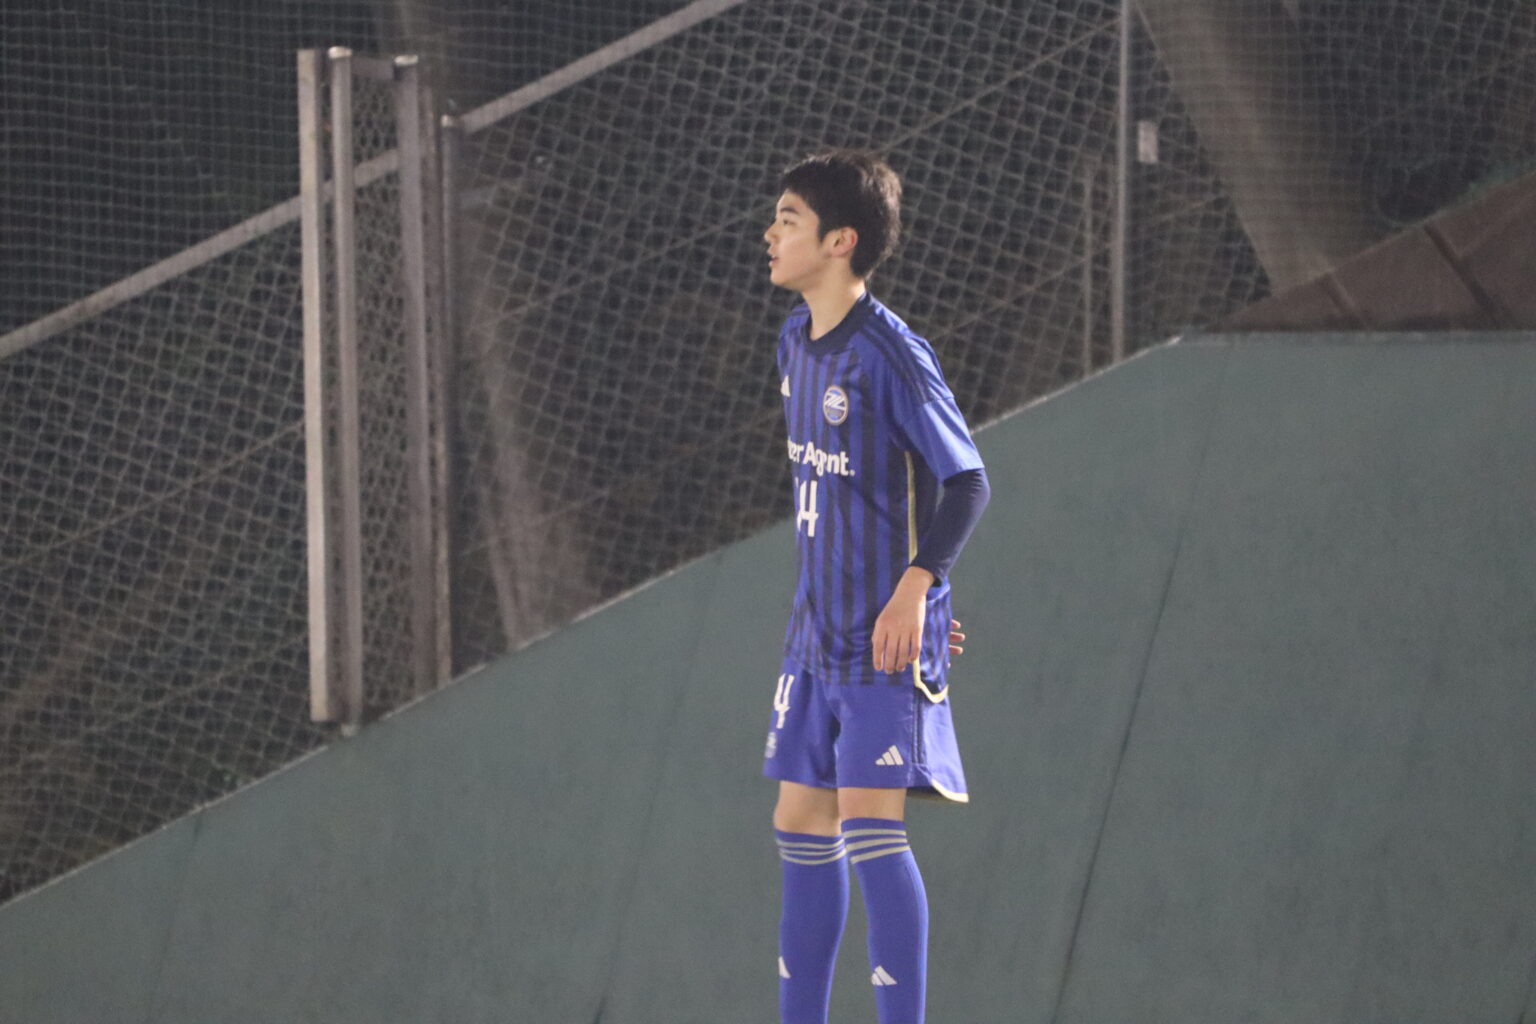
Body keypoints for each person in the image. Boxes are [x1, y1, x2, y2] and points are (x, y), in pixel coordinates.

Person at [761, 150, 991, 1024]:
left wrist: (918, 591)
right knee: (798, 823)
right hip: (812, 635)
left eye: (788, 218)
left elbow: (964, 480)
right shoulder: (794, 341)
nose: (770, 234)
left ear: (840, 241)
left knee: (869, 829)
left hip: (876, 641)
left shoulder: (890, 353)